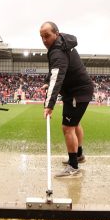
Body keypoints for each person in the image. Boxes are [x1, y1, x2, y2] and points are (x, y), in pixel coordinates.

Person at [39, 21, 94, 177]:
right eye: (42, 37)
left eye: (47, 36)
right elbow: (55, 70)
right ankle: (79, 155)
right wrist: (46, 82)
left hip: (77, 92)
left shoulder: (58, 51)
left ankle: (73, 166)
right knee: (75, 124)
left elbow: (57, 78)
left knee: (67, 128)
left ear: (56, 33)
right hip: (77, 91)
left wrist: (49, 105)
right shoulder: (62, 43)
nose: (44, 40)